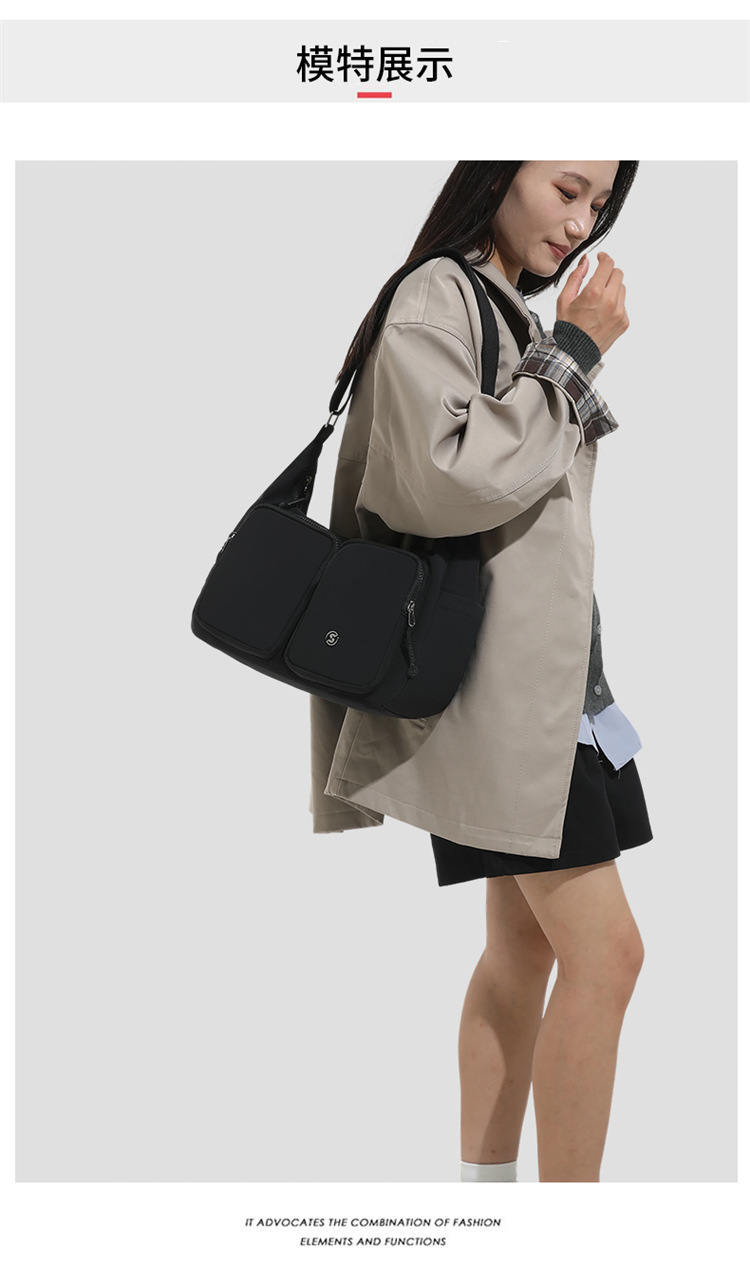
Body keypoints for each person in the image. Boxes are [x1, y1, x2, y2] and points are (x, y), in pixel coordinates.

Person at [309, 162, 653, 1183]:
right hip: (501, 703)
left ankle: (486, 1211)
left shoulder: (493, 302)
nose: (581, 222)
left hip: (546, 692)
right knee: (609, 955)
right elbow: (444, 477)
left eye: (600, 206)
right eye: (568, 189)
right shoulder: (438, 294)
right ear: (500, 167)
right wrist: (577, 351)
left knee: (526, 951)